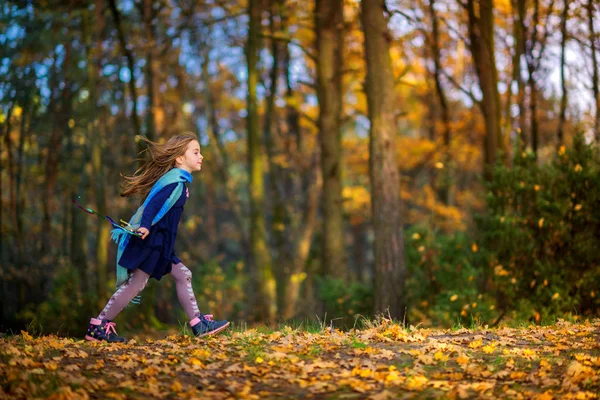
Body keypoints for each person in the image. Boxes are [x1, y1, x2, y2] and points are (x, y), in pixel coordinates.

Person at [85, 133, 229, 342]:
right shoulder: (173, 182)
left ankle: (198, 324)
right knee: (135, 285)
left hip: (163, 246)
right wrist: (144, 226)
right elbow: (152, 205)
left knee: (183, 275)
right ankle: (98, 326)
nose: (201, 156)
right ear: (179, 158)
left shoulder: (178, 182)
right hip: (153, 243)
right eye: (196, 152)